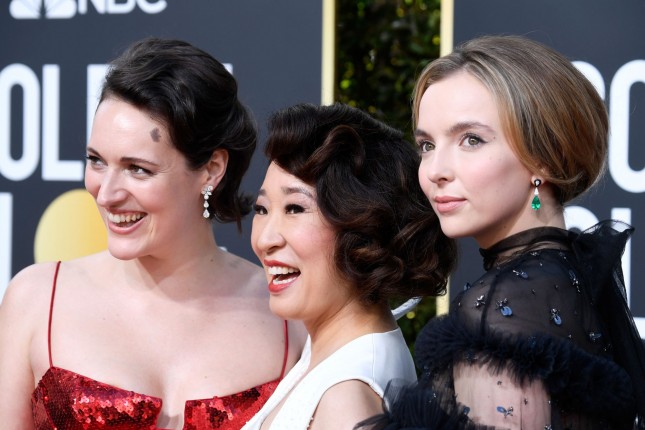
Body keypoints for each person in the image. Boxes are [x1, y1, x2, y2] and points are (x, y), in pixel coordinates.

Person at [0, 37, 306, 430]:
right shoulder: (36, 299)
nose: (106, 194)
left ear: (211, 169)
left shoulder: (288, 317)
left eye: (137, 169)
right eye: (96, 161)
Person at [360, 35, 645, 429]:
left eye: (471, 140)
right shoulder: (570, 277)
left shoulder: (503, 303)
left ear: (543, 157)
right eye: (426, 145)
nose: (435, 170)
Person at [241, 103, 456, 429]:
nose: (264, 239)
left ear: (364, 226)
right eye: (261, 209)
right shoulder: (332, 351)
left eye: (295, 208)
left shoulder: (346, 399)